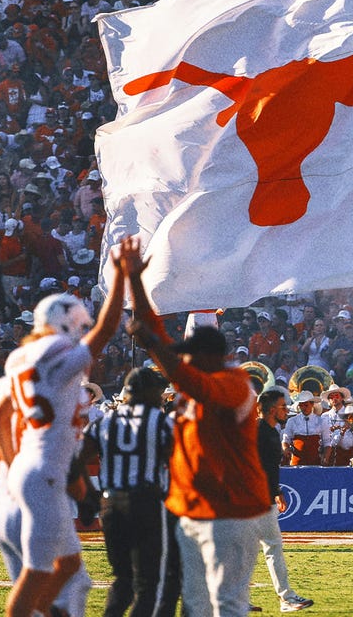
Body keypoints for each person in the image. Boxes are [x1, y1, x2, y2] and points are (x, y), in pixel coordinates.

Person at [126, 258, 271, 617]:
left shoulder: (235, 385)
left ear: (209, 358)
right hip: (195, 508)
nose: (185, 361)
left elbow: (168, 357)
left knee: (227, 602)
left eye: (191, 355)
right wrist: (135, 282)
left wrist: (152, 342)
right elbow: (156, 339)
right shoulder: (195, 387)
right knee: (195, 602)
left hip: (231, 509)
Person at [1, 230, 132, 617]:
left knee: (70, 565)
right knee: (36, 573)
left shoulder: (21, 357)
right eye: (75, 323)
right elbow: (104, 332)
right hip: (43, 471)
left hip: (38, 465)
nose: (79, 330)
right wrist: (122, 278)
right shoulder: (54, 351)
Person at [0, 374, 93, 617]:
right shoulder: (63, 393)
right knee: (68, 586)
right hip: (40, 497)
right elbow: (66, 460)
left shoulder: (8, 387)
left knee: (56, 579)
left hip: (6, 500)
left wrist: (9, 478)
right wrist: (85, 496)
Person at [85, 366, 181, 617]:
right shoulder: (161, 422)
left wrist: (92, 498)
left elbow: (75, 461)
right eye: (157, 391)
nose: (161, 396)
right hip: (146, 503)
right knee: (149, 583)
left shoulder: (104, 421)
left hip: (111, 504)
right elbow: (178, 461)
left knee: (124, 579)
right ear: (146, 392)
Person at [254, 388, 315, 611]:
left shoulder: (269, 431)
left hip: (260, 497)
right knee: (270, 547)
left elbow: (269, 467)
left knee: (247, 550)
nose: (287, 410)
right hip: (254, 499)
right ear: (272, 410)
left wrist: (277, 490)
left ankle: (233, 599)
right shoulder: (259, 431)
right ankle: (286, 598)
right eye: (283, 406)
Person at [281, 391, 330, 465]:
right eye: (301, 405)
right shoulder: (292, 421)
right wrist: (285, 449)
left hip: (316, 461)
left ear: (312, 404)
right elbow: (286, 439)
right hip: (297, 461)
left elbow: (327, 442)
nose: (304, 408)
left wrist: (326, 457)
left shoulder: (321, 421)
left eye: (306, 405)